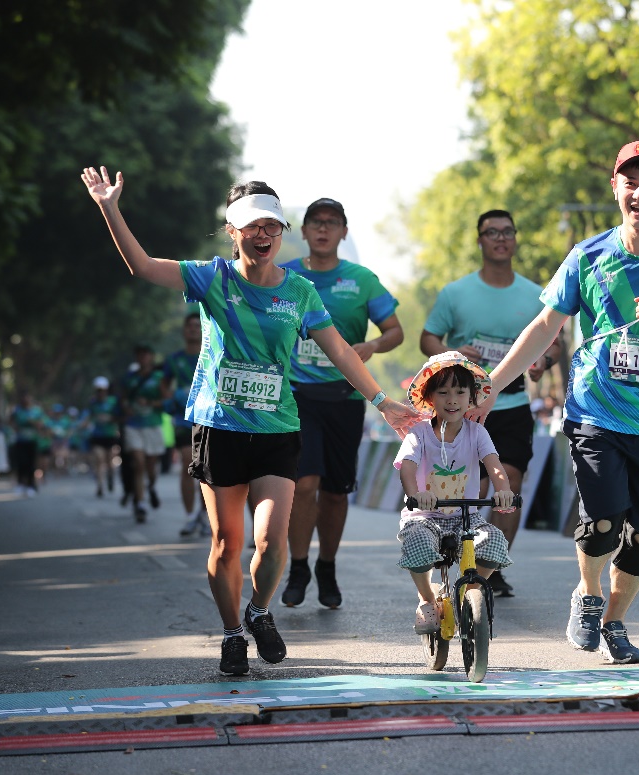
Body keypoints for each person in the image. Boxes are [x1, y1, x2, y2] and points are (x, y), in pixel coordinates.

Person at [81, 165, 419, 676]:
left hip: (277, 429)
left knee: (271, 541)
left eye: (272, 225)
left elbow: (342, 352)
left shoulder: (300, 292)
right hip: (219, 428)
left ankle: (259, 611)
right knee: (226, 543)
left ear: (282, 233)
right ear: (233, 231)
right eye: (252, 226)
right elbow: (144, 266)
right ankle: (232, 632)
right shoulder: (210, 278)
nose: (263, 235)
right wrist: (110, 208)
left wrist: (381, 400)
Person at [471, 138, 639, 663]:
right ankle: (590, 594)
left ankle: (616, 623)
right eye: (631, 183)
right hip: (595, 410)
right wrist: (493, 384)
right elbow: (545, 324)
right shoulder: (587, 255)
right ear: (614, 188)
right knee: (601, 522)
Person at [420, 209, 561, 597]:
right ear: (480, 240)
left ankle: (490, 568)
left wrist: (542, 362)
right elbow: (427, 339)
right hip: (461, 410)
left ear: (515, 239)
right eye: (491, 232)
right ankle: (454, 558)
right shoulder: (455, 293)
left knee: (508, 487)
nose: (500, 238)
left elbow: (554, 342)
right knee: (464, 488)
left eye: (507, 232)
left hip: (513, 405)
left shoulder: (536, 294)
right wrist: (450, 351)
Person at [280, 198, 404, 609]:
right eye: (316, 222)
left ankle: (326, 566)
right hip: (297, 395)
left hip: (346, 397)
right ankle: (298, 565)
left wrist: (370, 345)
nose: (323, 229)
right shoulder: (285, 275)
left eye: (332, 223)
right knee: (304, 483)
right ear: (304, 230)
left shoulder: (361, 279)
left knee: (335, 491)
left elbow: (395, 331)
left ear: (344, 232)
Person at [395, 352, 514, 633]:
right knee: (419, 543)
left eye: (460, 392)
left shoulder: (477, 432)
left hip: (465, 516)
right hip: (425, 515)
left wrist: (504, 490)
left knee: (494, 540)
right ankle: (426, 599)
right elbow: (408, 468)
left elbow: (494, 466)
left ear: (472, 398)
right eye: (444, 392)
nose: (452, 400)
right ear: (429, 398)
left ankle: (471, 591)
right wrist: (416, 494)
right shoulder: (419, 433)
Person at [165, 313, 209, 537]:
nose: (193, 329)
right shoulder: (174, 360)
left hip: (208, 417)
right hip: (182, 419)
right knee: (186, 463)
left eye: (196, 325)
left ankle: (204, 514)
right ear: (184, 331)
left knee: (205, 468)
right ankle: (190, 515)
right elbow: (163, 385)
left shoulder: (211, 354)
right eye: (189, 326)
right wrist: (171, 396)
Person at [121, 344, 166, 522]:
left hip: (153, 425)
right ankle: (140, 504)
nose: (143, 358)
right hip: (133, 425)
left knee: (150, 466)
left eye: (146, 354)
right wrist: (126, 407)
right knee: (138, 463)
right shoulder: (129, 378)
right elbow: (123, 399)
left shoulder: (159, 377)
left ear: (151, 357)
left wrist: (150, 402)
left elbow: (166, 399)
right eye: (139, 354)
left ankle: (151, 486)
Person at [87, 376, 122, 498]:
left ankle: (110, 477)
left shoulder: (113, 402)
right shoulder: (92, 403)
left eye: (102, 390)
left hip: (110, 436)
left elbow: (119, 416)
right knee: (99, 459)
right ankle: (100, 486)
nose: (100, 393)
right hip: (97, 436)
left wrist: (110, 419)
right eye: (98, 390)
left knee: (109, 461)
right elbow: (88, 417)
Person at [9, 390, 44, 496]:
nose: (25, 400)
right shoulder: (17, 410)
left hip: (33, 441)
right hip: (20, 441)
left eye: (27, 397)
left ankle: (31, 485)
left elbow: (41, 424)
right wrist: (15, 429)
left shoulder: (36, 411)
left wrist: (32, 422)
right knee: (21, 463)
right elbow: (10, 421)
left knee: (31, 464)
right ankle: (20, 484)